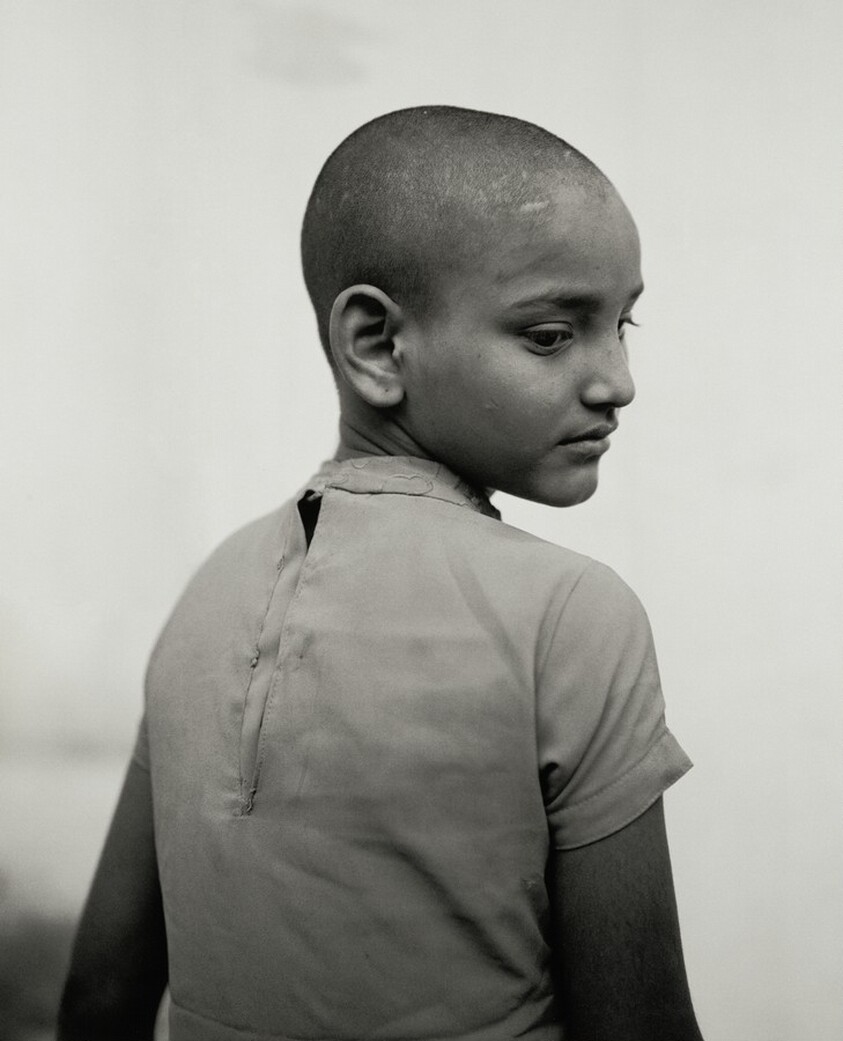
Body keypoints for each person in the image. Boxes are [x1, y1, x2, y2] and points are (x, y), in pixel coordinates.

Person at [58, 106, 704, 1041]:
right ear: (375, 345)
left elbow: (98, 999)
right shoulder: (570, 615)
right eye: (550, 334)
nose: (617, 381)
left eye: (621, 323)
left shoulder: (210, 592)